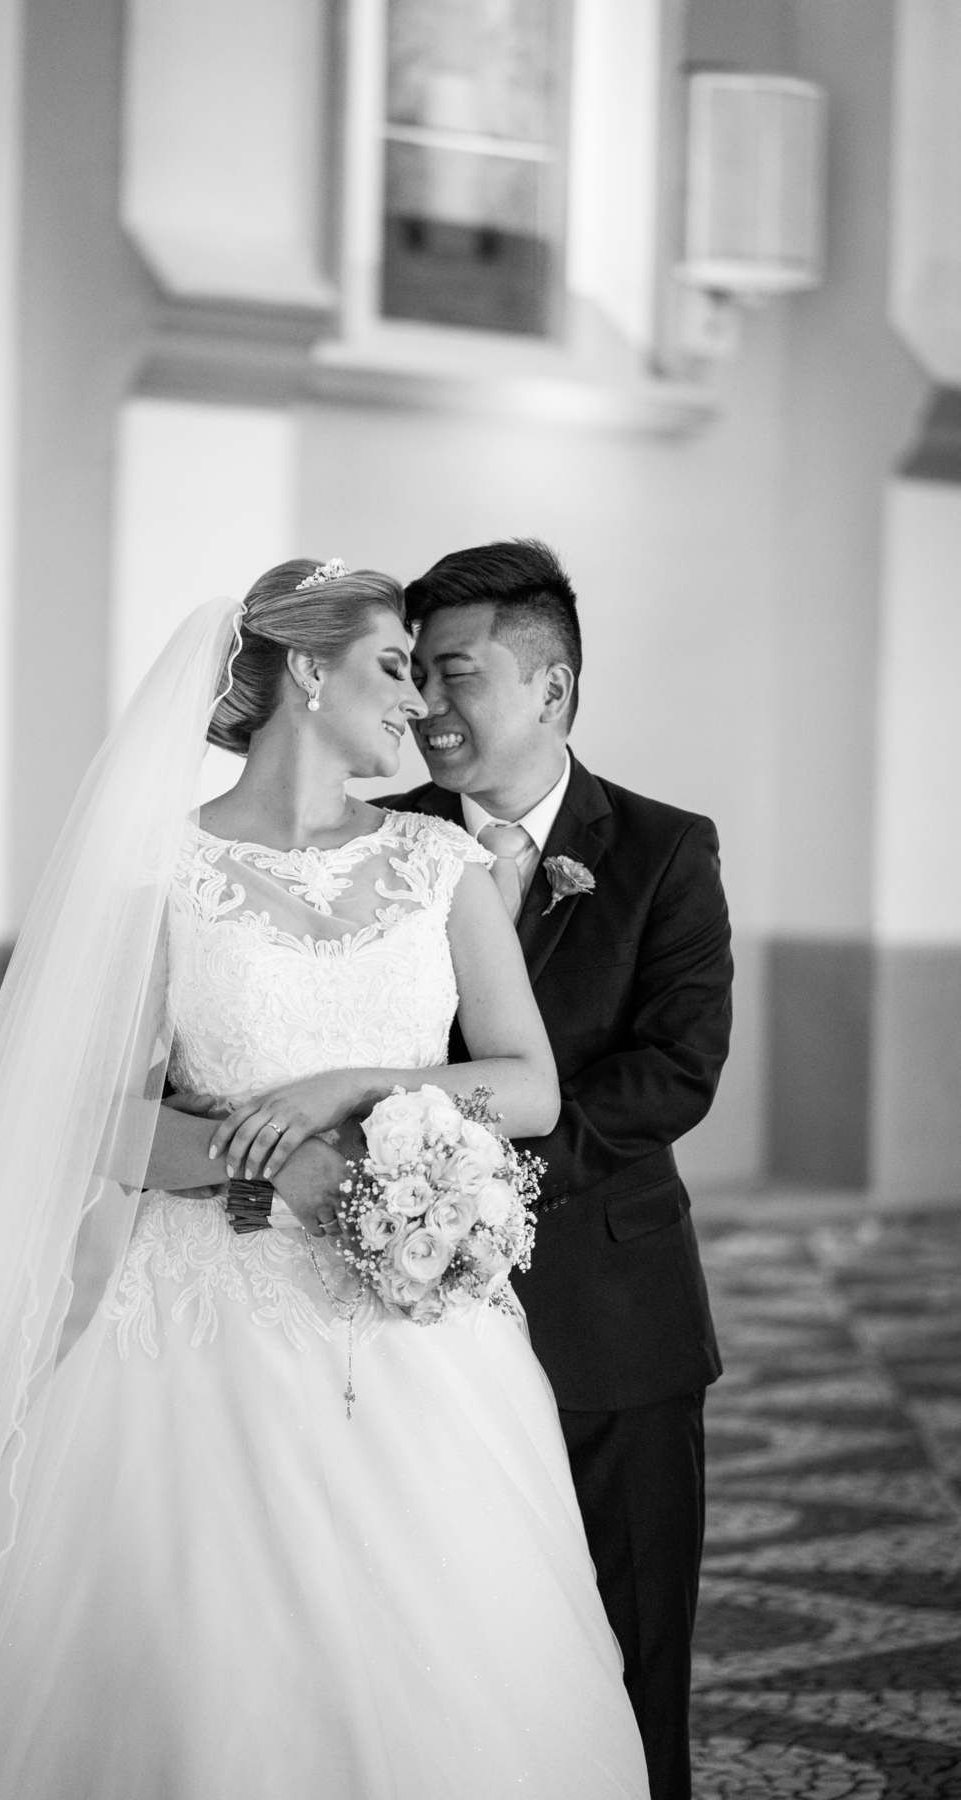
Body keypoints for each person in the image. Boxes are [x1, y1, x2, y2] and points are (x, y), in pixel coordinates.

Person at [0, 559, 649, 1799]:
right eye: (392, 666)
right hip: (193, 1325)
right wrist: (279, 1173)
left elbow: (530, 1085)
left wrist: (343, 1093)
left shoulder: (441, 869)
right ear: (305, 670)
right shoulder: (163, 878)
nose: (416, 705)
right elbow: (87, 1125)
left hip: (410, 1338)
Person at [385, 540, 732, 1800]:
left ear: (553, 690)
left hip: (612, 1314)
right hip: (402, 1312)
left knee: (635, 1656)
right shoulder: (378, 849)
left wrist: (485, 1178)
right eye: (413, 671)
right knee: (440, 1649)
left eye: (455, 673)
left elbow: (676, 1069)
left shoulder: (663, 849)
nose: (424, 704)